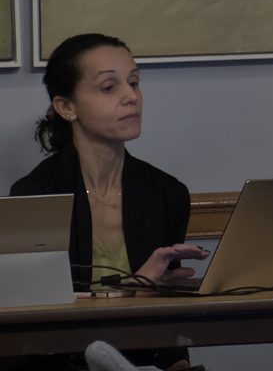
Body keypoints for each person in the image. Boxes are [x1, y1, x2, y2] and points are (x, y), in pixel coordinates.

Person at [8, 33, 208, 371]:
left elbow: (165, 319)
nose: (131, 97)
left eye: (134, 82)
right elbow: (36, 320)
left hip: (143, 359)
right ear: (66, 107)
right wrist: (135, 288)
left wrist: (179, 364)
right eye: (108, 87)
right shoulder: (35, 193)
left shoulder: (167, 193)